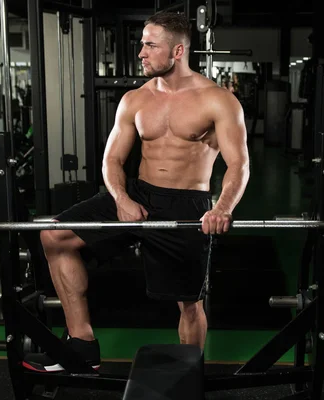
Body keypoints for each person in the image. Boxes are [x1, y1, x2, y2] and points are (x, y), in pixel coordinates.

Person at [23, 11, 250, 373]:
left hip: (187, 204)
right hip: (139, 195)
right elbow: (112, 160)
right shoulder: (135, 100)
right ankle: (81, 346)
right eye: (141, 43)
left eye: (150, 45)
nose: (140, 52)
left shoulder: (218, 100)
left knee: (189, 303)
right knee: (54, 235)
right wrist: (123, 199)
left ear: (177, 51)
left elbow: (239, 165)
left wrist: (221, 208)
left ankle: (188, 374)